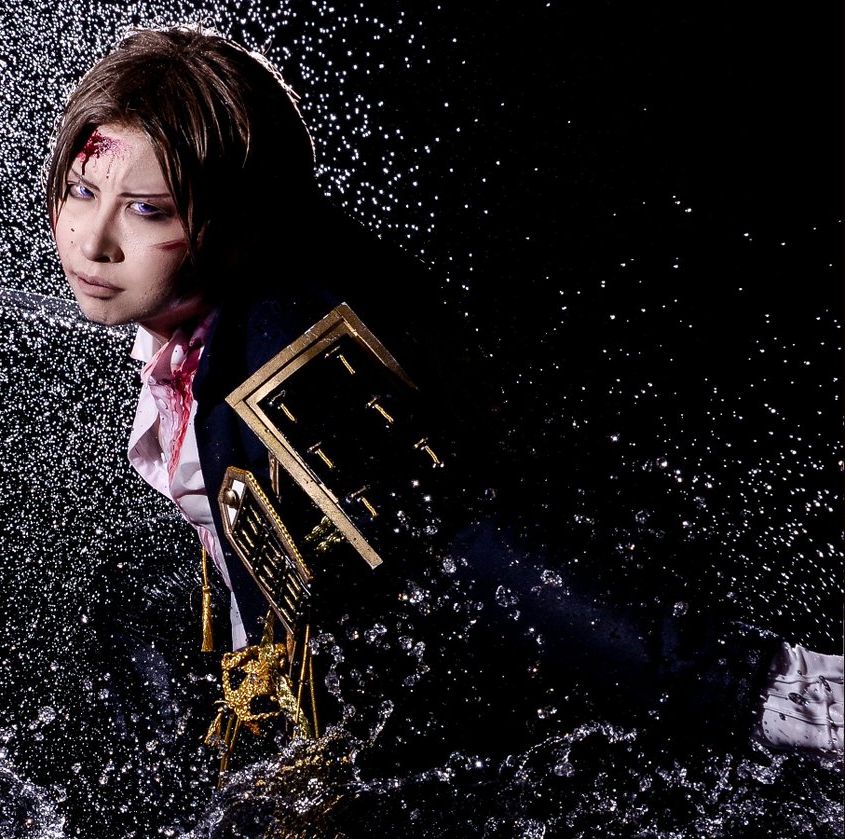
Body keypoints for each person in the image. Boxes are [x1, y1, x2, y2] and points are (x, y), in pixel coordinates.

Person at [44, 23, 841, 774]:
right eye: (81, 191)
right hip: (301, 642)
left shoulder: (283, 349)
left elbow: (474, 541)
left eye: (147, 210)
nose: (92, 240)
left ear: (239, 222)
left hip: (431, 711)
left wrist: (764, 685)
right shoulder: (208, 314)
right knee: (133, 588)